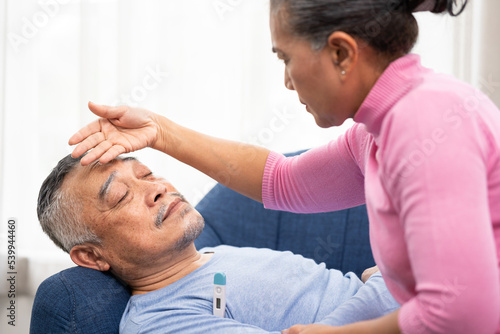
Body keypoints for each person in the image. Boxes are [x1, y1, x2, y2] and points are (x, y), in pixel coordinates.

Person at [68, 0, 500, 333]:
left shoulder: (423, 122)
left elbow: (465, 313)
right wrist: (159, 131)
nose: (288, 81)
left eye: (285, 58)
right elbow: (284, 182)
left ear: (341, 54)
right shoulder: (381, 127)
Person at [37, 154, 399, 334]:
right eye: (119, 196)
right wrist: (388, 282)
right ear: (91, 255)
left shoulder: (217, 257)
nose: (157, 188)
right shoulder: (162, 321)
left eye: (147, 174)